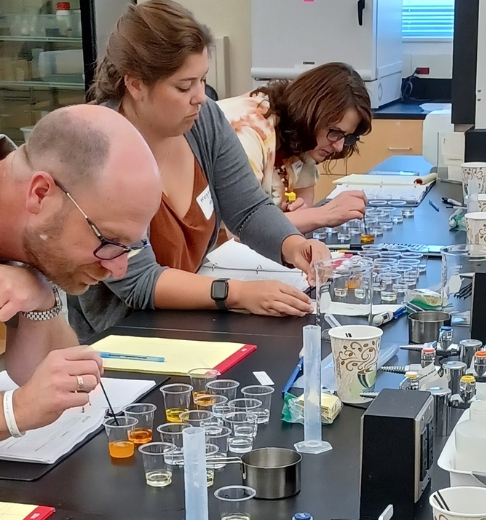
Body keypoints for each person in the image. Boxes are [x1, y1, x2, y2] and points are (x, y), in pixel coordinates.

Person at [72, 0, 330, 337]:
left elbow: (248, 209)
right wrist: (238, 293)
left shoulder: (203, 121)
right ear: (135, 85)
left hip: (190, 317)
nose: (200, 97)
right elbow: (139, 283)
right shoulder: (98, 150)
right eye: (183, 86)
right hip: (121, 334)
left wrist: (293, 245)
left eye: (202, 80)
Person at [0, 105, 162, 460]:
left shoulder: (35, 231)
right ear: (40, 193)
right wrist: (14, 411)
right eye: (109, 241)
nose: (119, 269)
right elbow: (31, 399)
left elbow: (45, 373)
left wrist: (40, 297)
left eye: (131, 247)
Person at [219, 63, 372, 234]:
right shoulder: (248, 130)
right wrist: (324, 214)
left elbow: (303, 194)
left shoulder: (300, 136)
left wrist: (296, 216)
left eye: (347, 136)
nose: (338, 146)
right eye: (335, 132)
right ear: (310, 115)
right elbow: (242, 227)